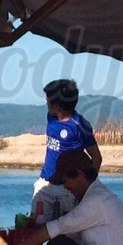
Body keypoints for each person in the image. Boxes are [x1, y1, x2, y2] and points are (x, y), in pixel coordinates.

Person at [32, 79, 103, 219]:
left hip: (68, 188)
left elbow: (96, 158)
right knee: (37, 225)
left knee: (68, 229)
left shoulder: (80, 126)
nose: (46, 103)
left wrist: (86, 187)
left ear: (57, 105)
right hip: (45, 182)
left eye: (48, 100)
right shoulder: (51, 117)